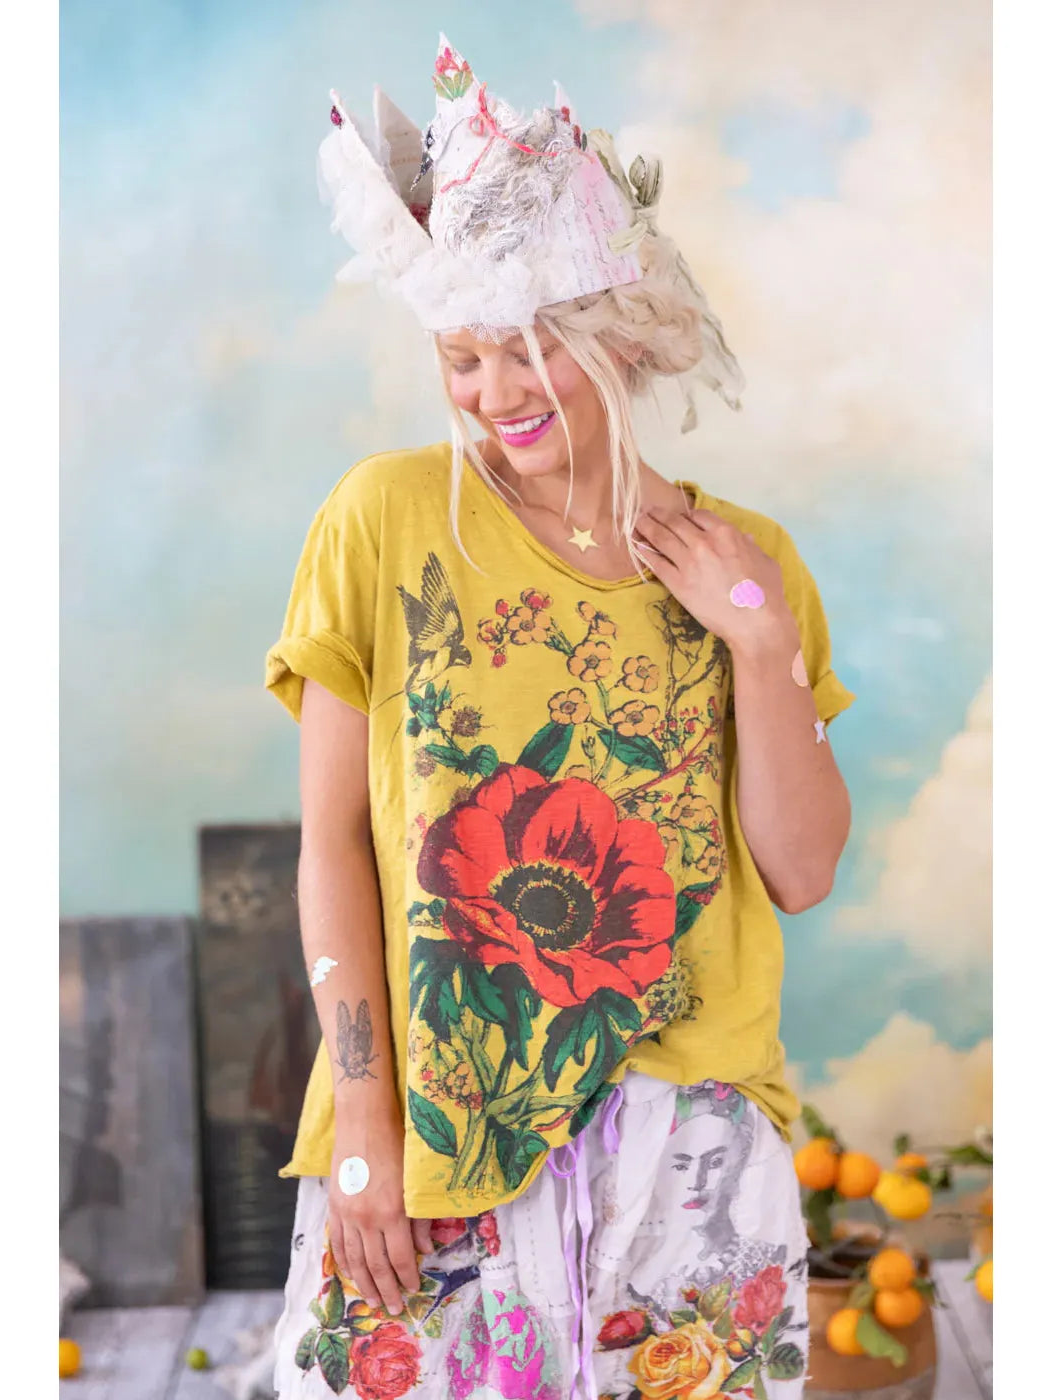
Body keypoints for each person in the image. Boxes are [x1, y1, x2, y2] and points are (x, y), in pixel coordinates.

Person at [264, 35, 854, 1400]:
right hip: (434, 1125)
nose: (496, 395)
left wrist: (761, 645)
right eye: (463, 359)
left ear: (622, 337)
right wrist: (363, 1120)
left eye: (532, 352)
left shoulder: (749, 559)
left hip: (692, 1140)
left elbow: (804, 871)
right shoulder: (383, 518)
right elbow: (331, 842)